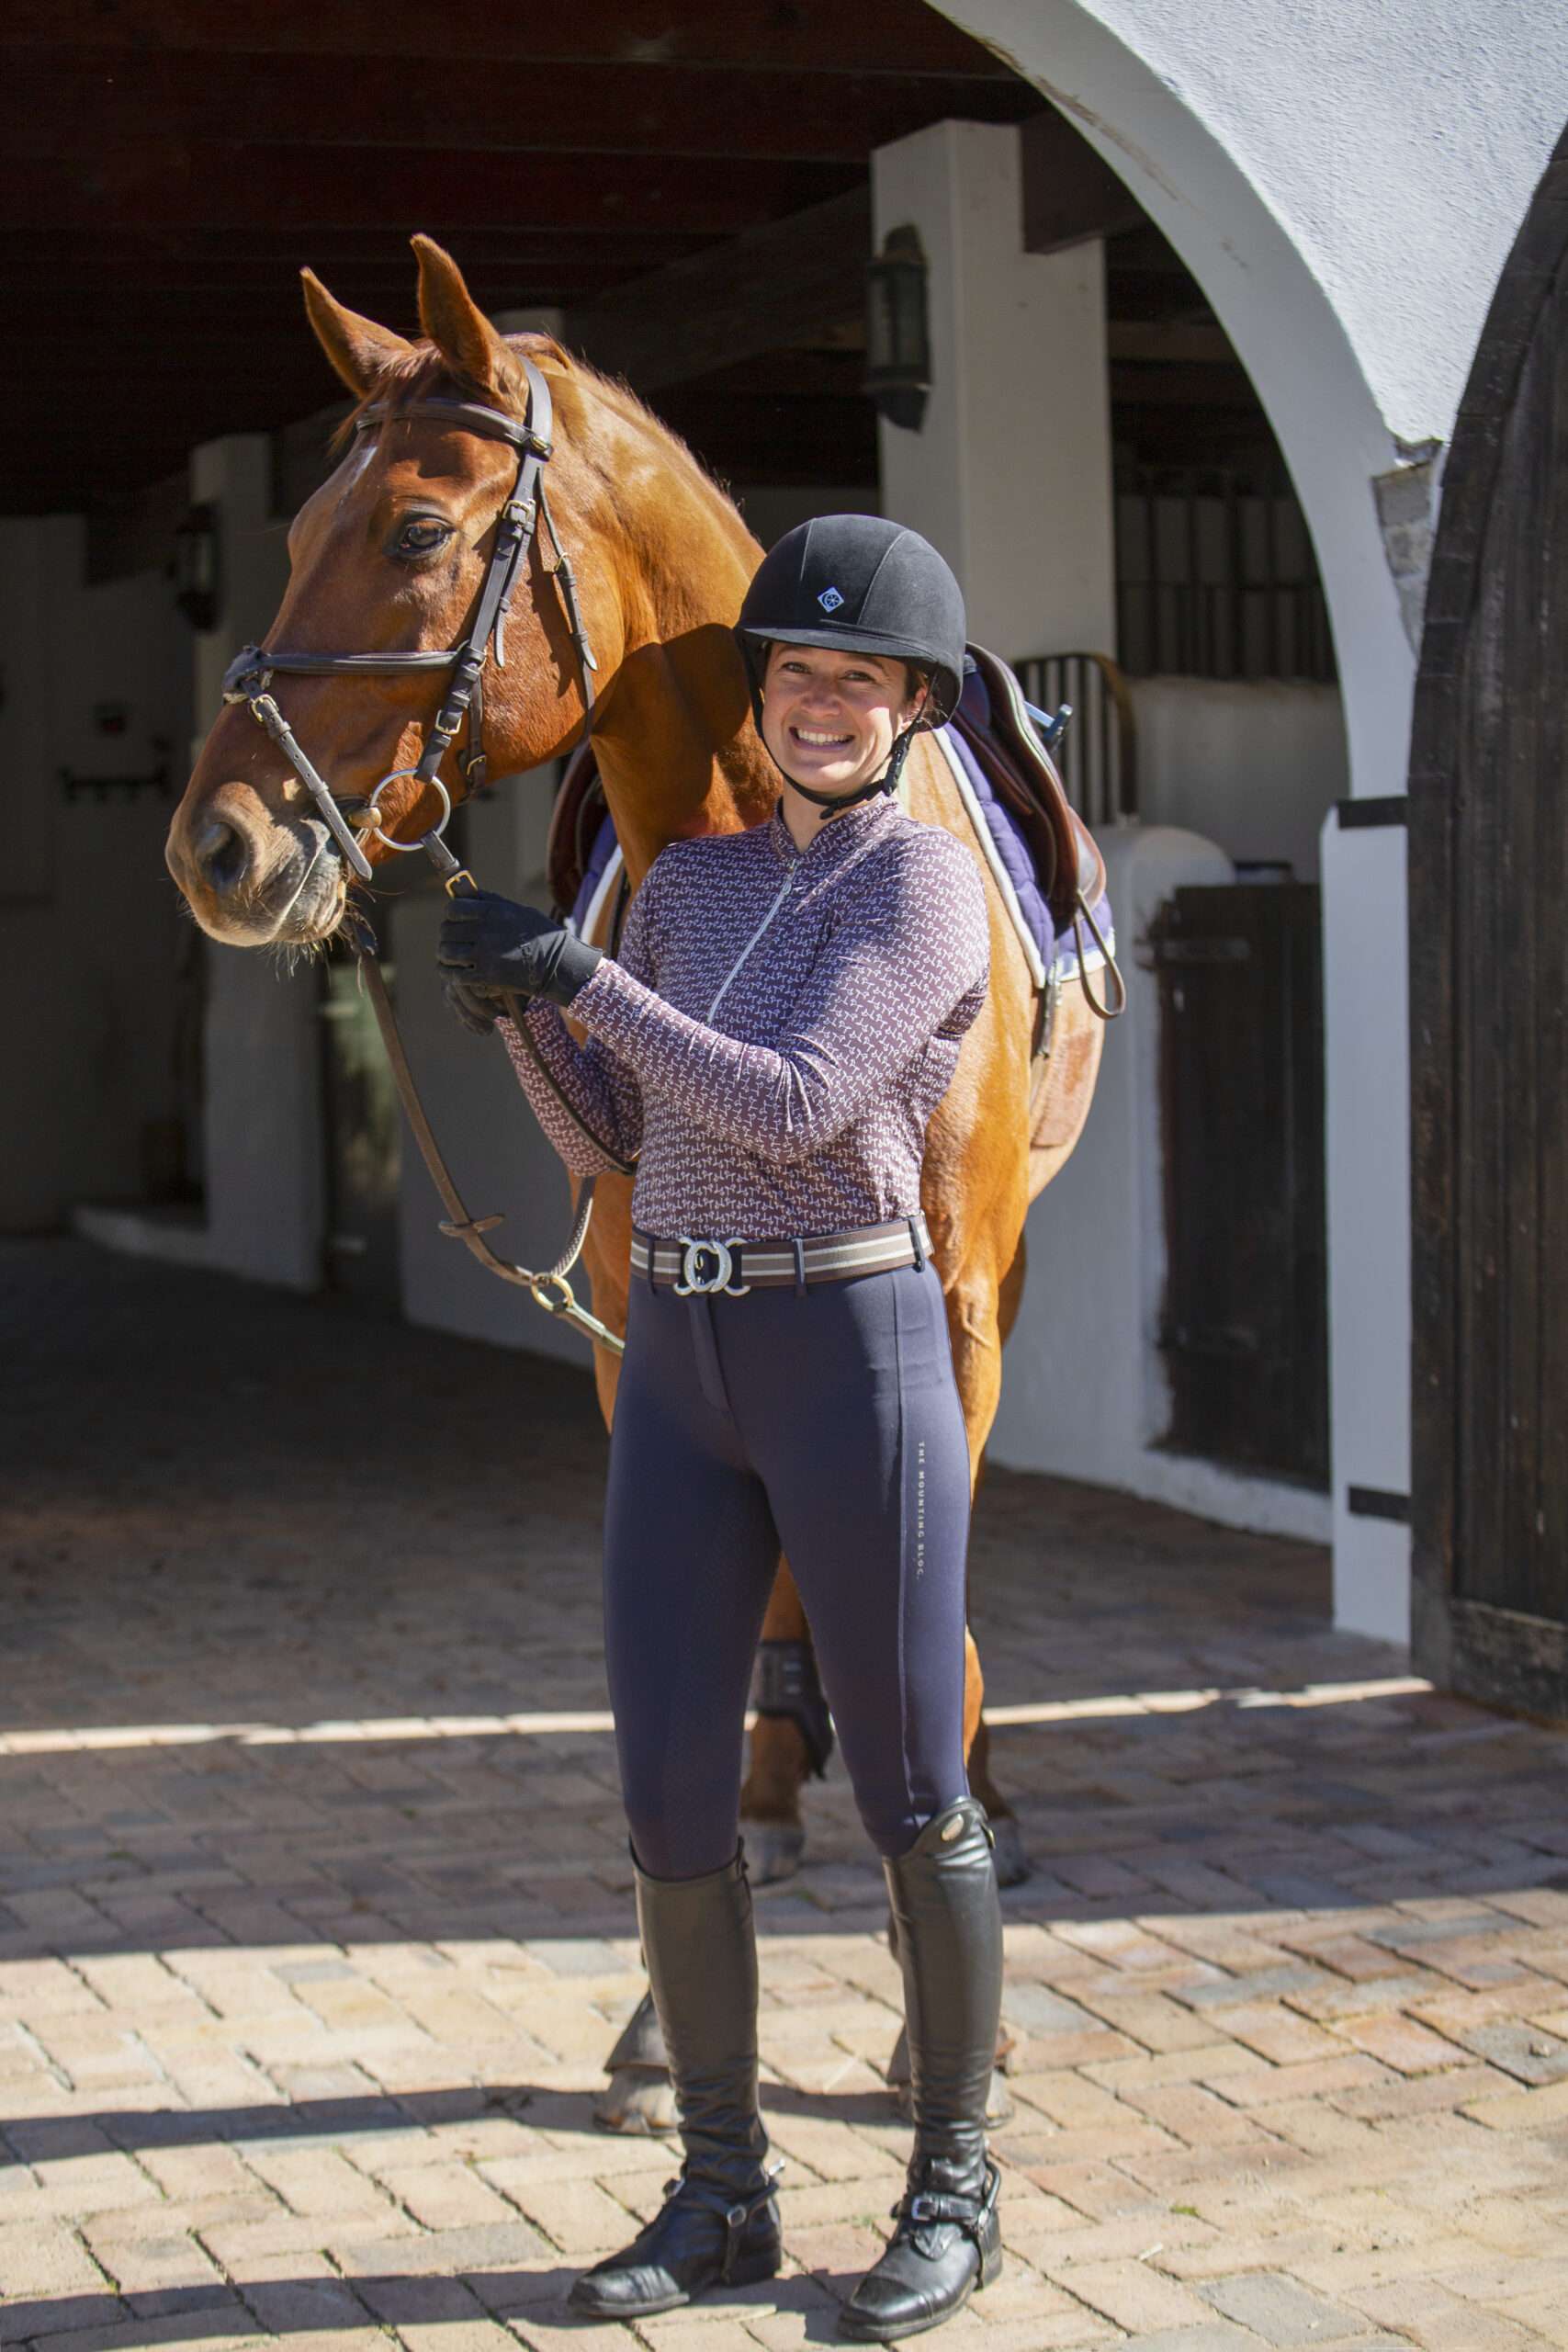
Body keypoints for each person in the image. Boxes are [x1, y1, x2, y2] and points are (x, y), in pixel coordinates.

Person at [436, 517, 1004, 2342]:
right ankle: (720, 2189)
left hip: (851, 1340)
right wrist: (515, 1005)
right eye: (793, 673)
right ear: (757, 696)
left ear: (912, 706)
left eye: (857, 677)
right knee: (671, 1794)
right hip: (676, 1347)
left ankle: (949, 2193)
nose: (820, 702)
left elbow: (793, 1101)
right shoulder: (682, 883)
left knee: (912, 1785)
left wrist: (573, 974)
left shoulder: (917, 891)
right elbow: (616, 1133)